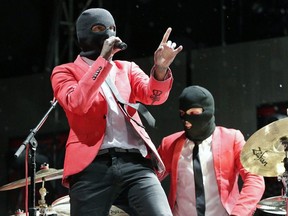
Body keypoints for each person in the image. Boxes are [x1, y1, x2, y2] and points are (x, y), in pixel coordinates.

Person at [50, 7, 183, 216]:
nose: (108, 33)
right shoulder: (65, 72)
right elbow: (77, 103)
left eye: (112, 28)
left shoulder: (126, 68)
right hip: (91, 167)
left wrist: (160, 69)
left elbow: (153, 96)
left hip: (135, 163)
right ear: (84, 33)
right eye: (99, 28)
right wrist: (102, 61)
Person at [157, 85, 265, 216]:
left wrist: (238, 214)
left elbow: (254, 178)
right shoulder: (169, 144)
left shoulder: (232, 139)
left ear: (208, 111)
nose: (187, 119)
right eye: (182, 113)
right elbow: (146, 177)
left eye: (193, 113)